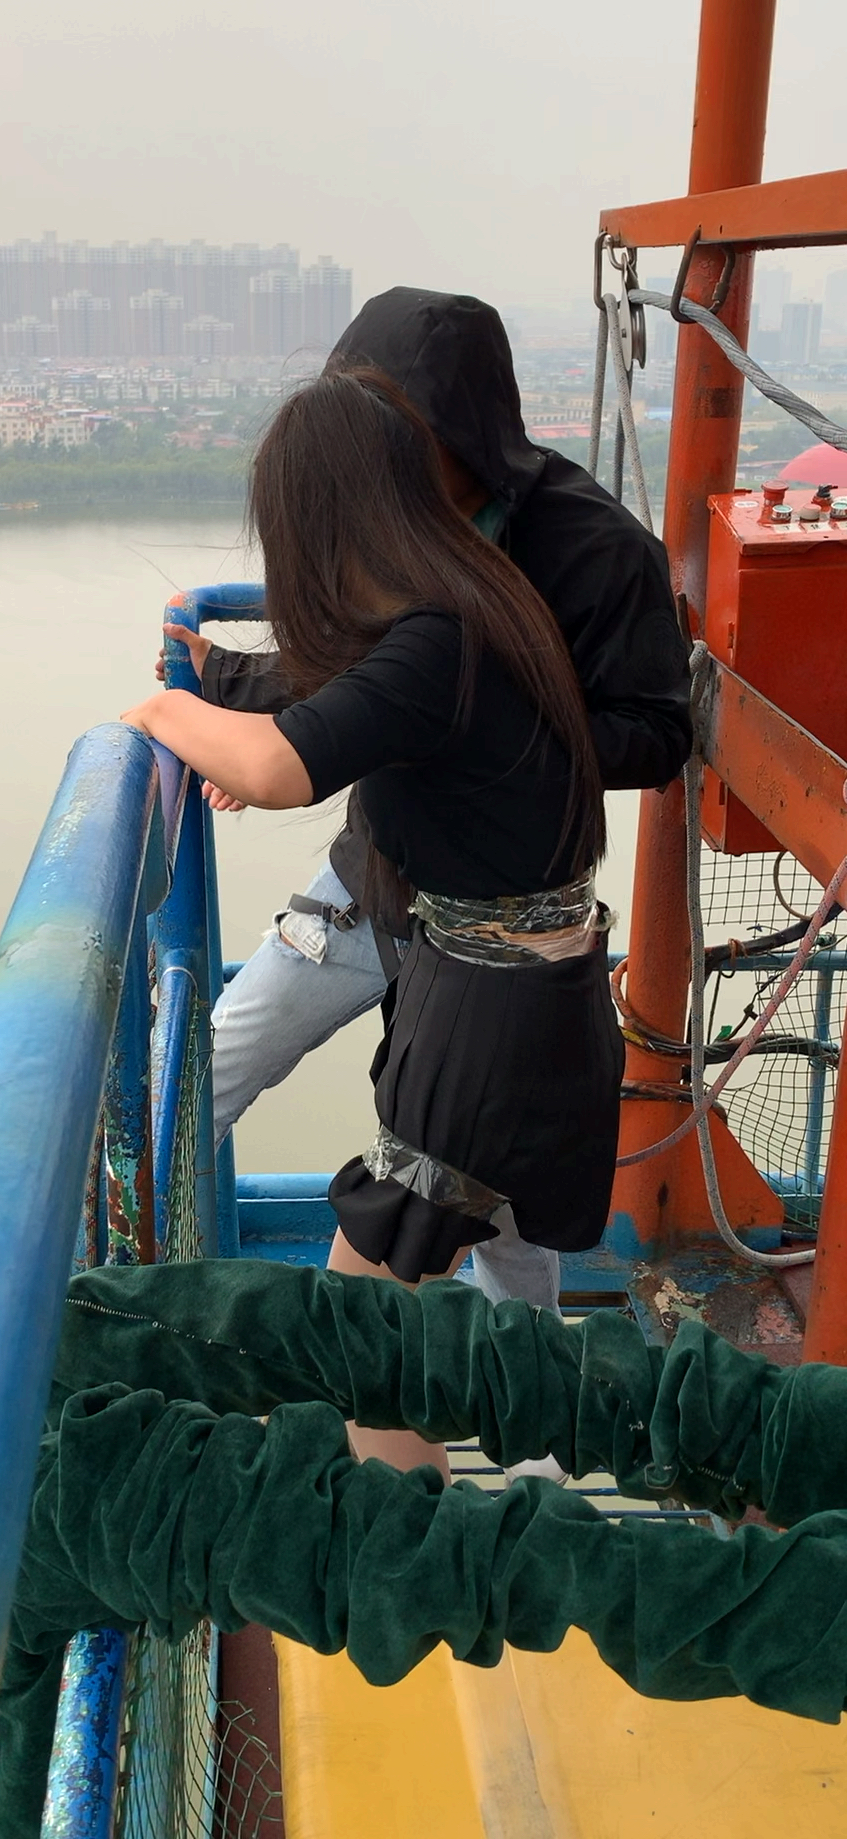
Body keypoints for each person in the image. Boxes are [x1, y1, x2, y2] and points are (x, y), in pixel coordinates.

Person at [123, 366, 624, 1477]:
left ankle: (421, 1560)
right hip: (537, 992)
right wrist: (227, 686)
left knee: (368, 1327)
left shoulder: (434, 639)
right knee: (479, 1274)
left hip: (489, 1017)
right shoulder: (480, 600)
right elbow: (332, 702)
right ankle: (516, 1514)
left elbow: (284, 764)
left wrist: (164, 708)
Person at [160, 287, 691, 1322]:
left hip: (499, 930)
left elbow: (659, 733)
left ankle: (506, 1437)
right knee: (203, 1067)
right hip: (382, 880)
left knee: (492, 1232)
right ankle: (115, 1267)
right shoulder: (397, 539)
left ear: (455, 433)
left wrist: (508, 730)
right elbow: (362, 677)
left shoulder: (595, 551)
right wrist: (225, 680)